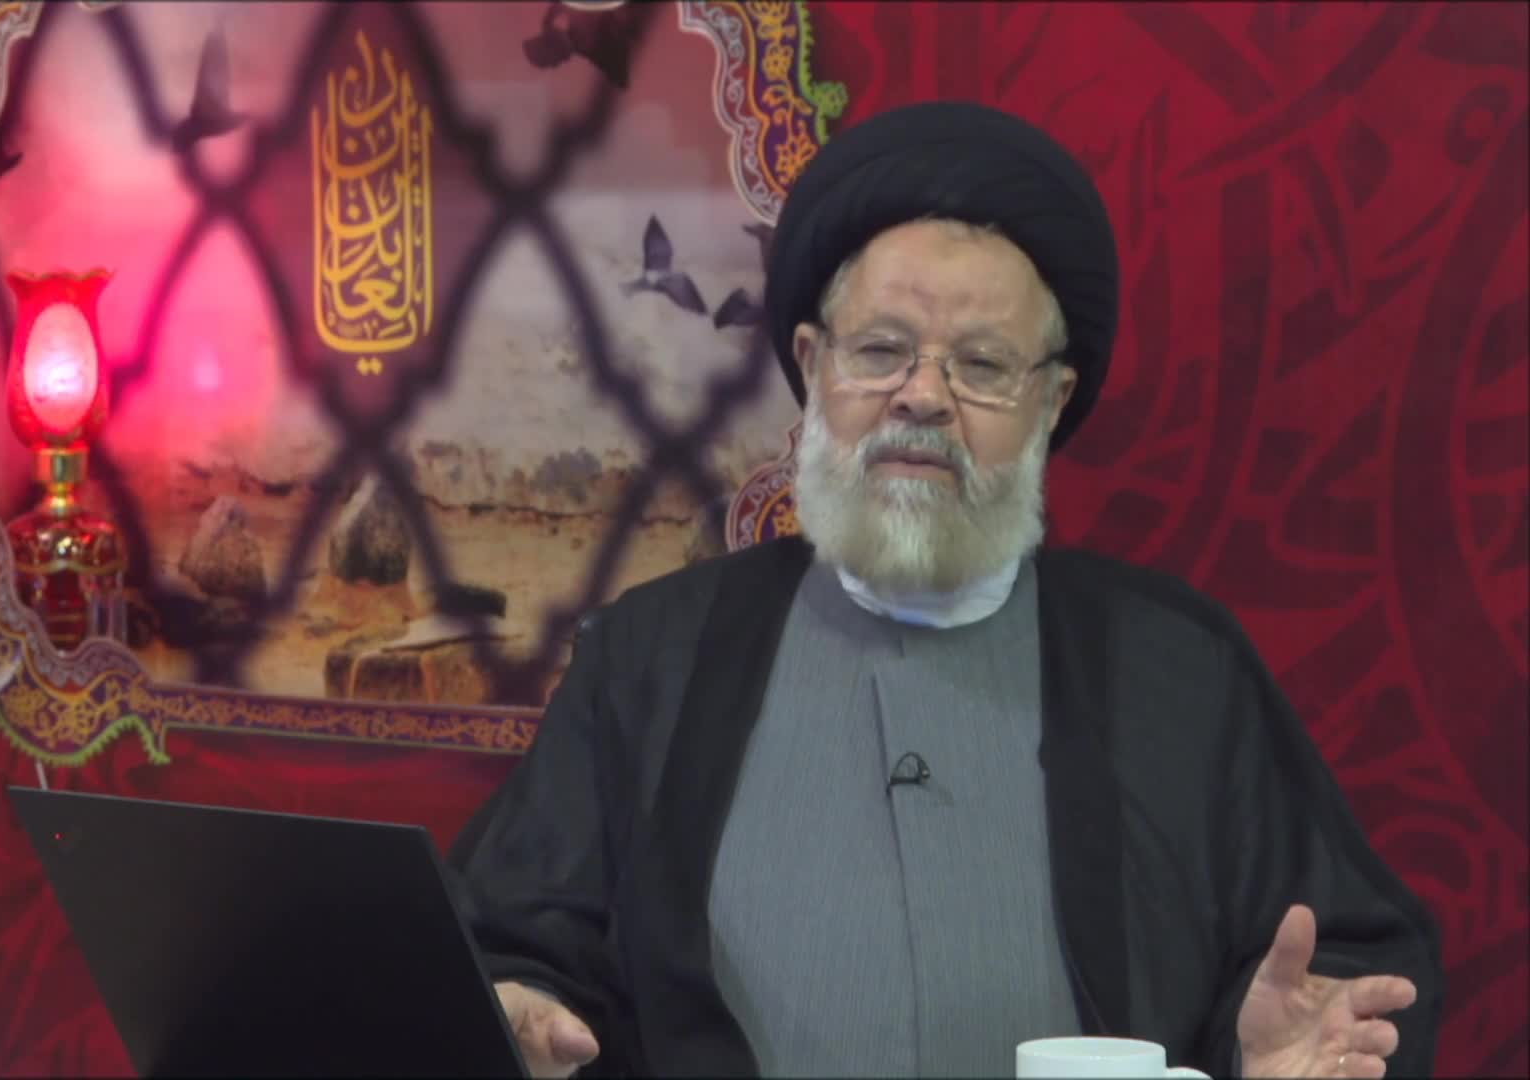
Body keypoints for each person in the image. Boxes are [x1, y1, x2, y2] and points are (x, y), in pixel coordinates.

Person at [448, 101, 1442, 1078]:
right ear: (813, 365)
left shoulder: (1181, 668)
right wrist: (513, 1015)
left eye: (982, 365)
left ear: (1049, 400)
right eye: (881, 351)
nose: (922, 396)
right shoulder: (650, 659)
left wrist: (1268, 1058)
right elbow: (514, 950)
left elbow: (1332, 975)